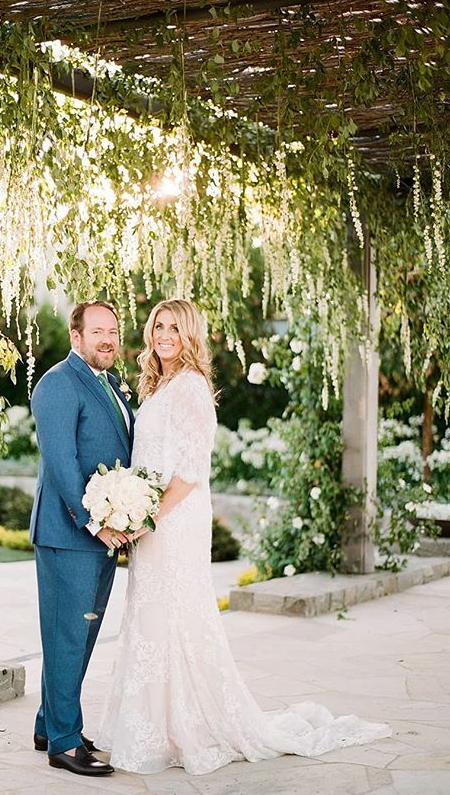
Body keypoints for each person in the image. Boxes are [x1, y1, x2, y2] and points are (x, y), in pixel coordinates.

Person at [97, 298, 391, 775]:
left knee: (175, 617)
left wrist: (142, 518)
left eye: (174, 327)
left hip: (174, 520)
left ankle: (190, 728)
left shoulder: (191, 387)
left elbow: (189, 474)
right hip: (152, 519)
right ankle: (154, 726)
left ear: (190, 334)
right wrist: (130, 504)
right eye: (158, 326)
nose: (163, 334)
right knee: (151, 619)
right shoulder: (157, 385)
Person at [29, 300, 135, 777]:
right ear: (77, 337)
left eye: (113, 330)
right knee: (68, 635)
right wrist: (96, 523)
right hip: (69, 532)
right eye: (98, 331)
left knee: (80, 636)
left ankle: (50, 723)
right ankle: (64, 744)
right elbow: (62, 464)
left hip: (104, 533)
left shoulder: (110, 384)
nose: (108, 339)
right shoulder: (55, 384)